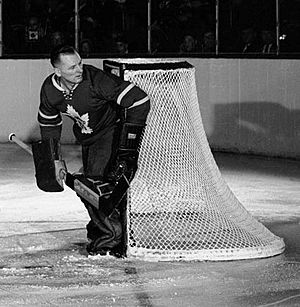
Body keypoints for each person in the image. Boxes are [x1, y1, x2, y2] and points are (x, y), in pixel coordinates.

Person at [37, 45, 150, 257]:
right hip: (88, 138)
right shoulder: (49, 89)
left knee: (95, 186)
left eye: (80, 63)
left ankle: (111, 238)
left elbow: (140, 100)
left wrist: (127, 149)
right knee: (93, 186)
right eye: (72, 67)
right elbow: (49, 123)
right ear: (58, 71)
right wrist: (54, 158)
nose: (79, 69)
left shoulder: (96, 80)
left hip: (110, 133)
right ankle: (103, 229)